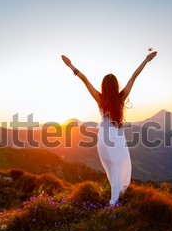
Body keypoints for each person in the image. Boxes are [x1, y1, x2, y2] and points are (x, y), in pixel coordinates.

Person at [61, 51, 157, 205]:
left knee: (112, 167)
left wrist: (70, 65)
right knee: (120, 166)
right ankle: (115, 200)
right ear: (115, 86)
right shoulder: (121, 97)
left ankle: (116, 196)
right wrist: (146, 60)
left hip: (103, 138)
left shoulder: (99, 98)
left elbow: (84, 80)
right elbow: (134, 77)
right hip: (116, 138)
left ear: (104, 86)